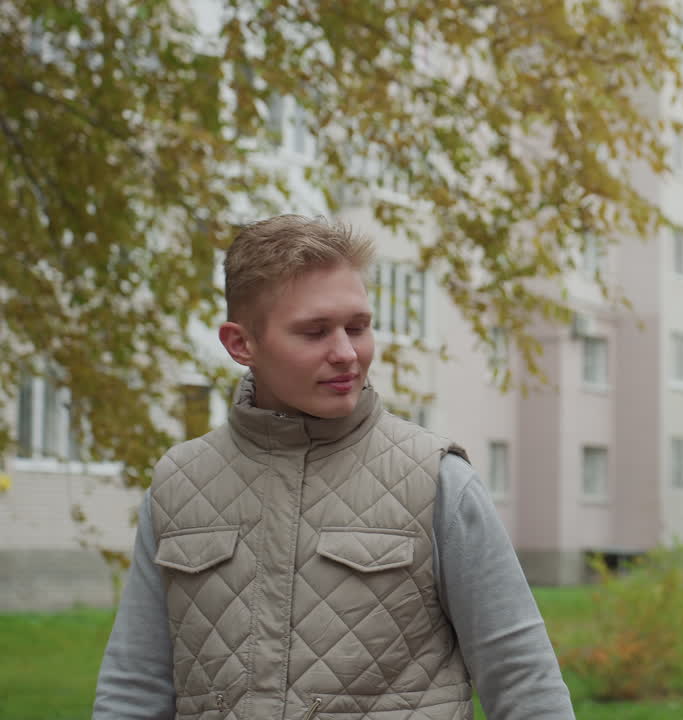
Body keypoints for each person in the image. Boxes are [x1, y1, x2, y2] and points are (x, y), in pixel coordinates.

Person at [94, 215, 574, 720]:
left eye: (358, 327)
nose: (346, 353)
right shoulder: (179, 483)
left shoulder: (436, 480)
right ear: (241, 344)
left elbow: (524, 682)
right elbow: (134, 690)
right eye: (315, 332)